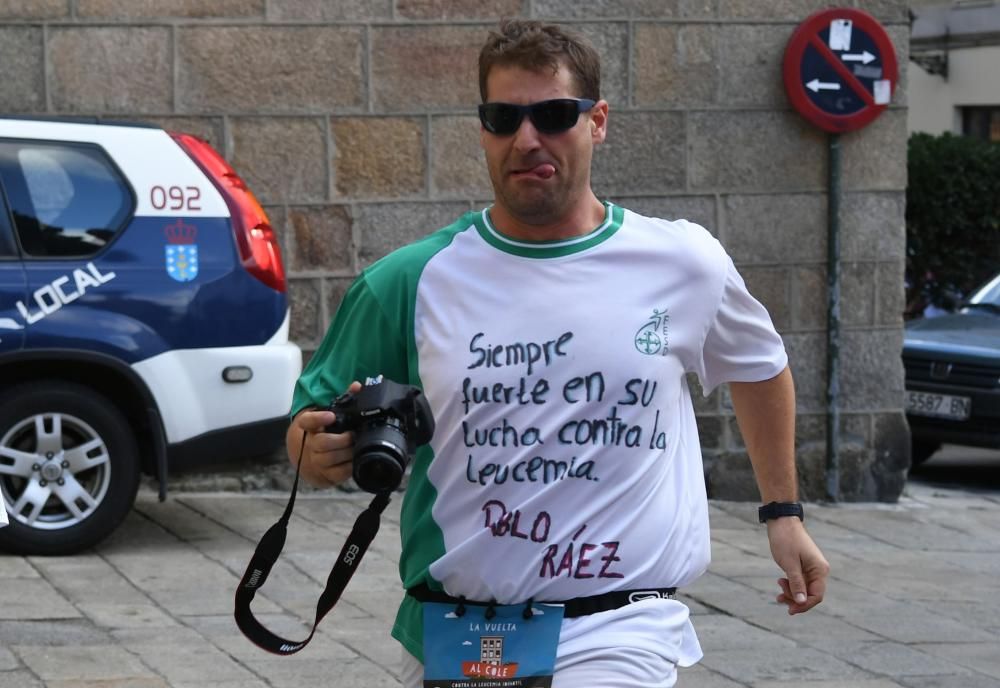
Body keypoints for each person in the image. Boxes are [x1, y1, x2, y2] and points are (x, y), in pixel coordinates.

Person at [287, 18, 829, 688]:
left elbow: (758, 367)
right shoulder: (407, 282)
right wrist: (314, 452)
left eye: (551, 114)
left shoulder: (682, 263)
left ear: (597, 121)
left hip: (619, 625)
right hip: (457, 630)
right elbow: (310, 423)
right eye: (502, 117)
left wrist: (783, 513)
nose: (526, 138)